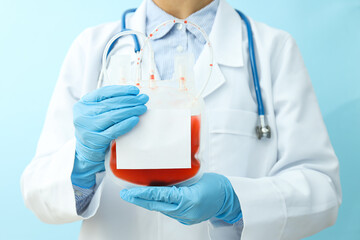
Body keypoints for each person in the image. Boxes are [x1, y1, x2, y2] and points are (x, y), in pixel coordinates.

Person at [20, 0, 342, 239]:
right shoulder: (94, 49)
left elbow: (322, 188)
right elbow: (37, 189)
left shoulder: (271, 50)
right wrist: (81, 162)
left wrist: (235, 201)